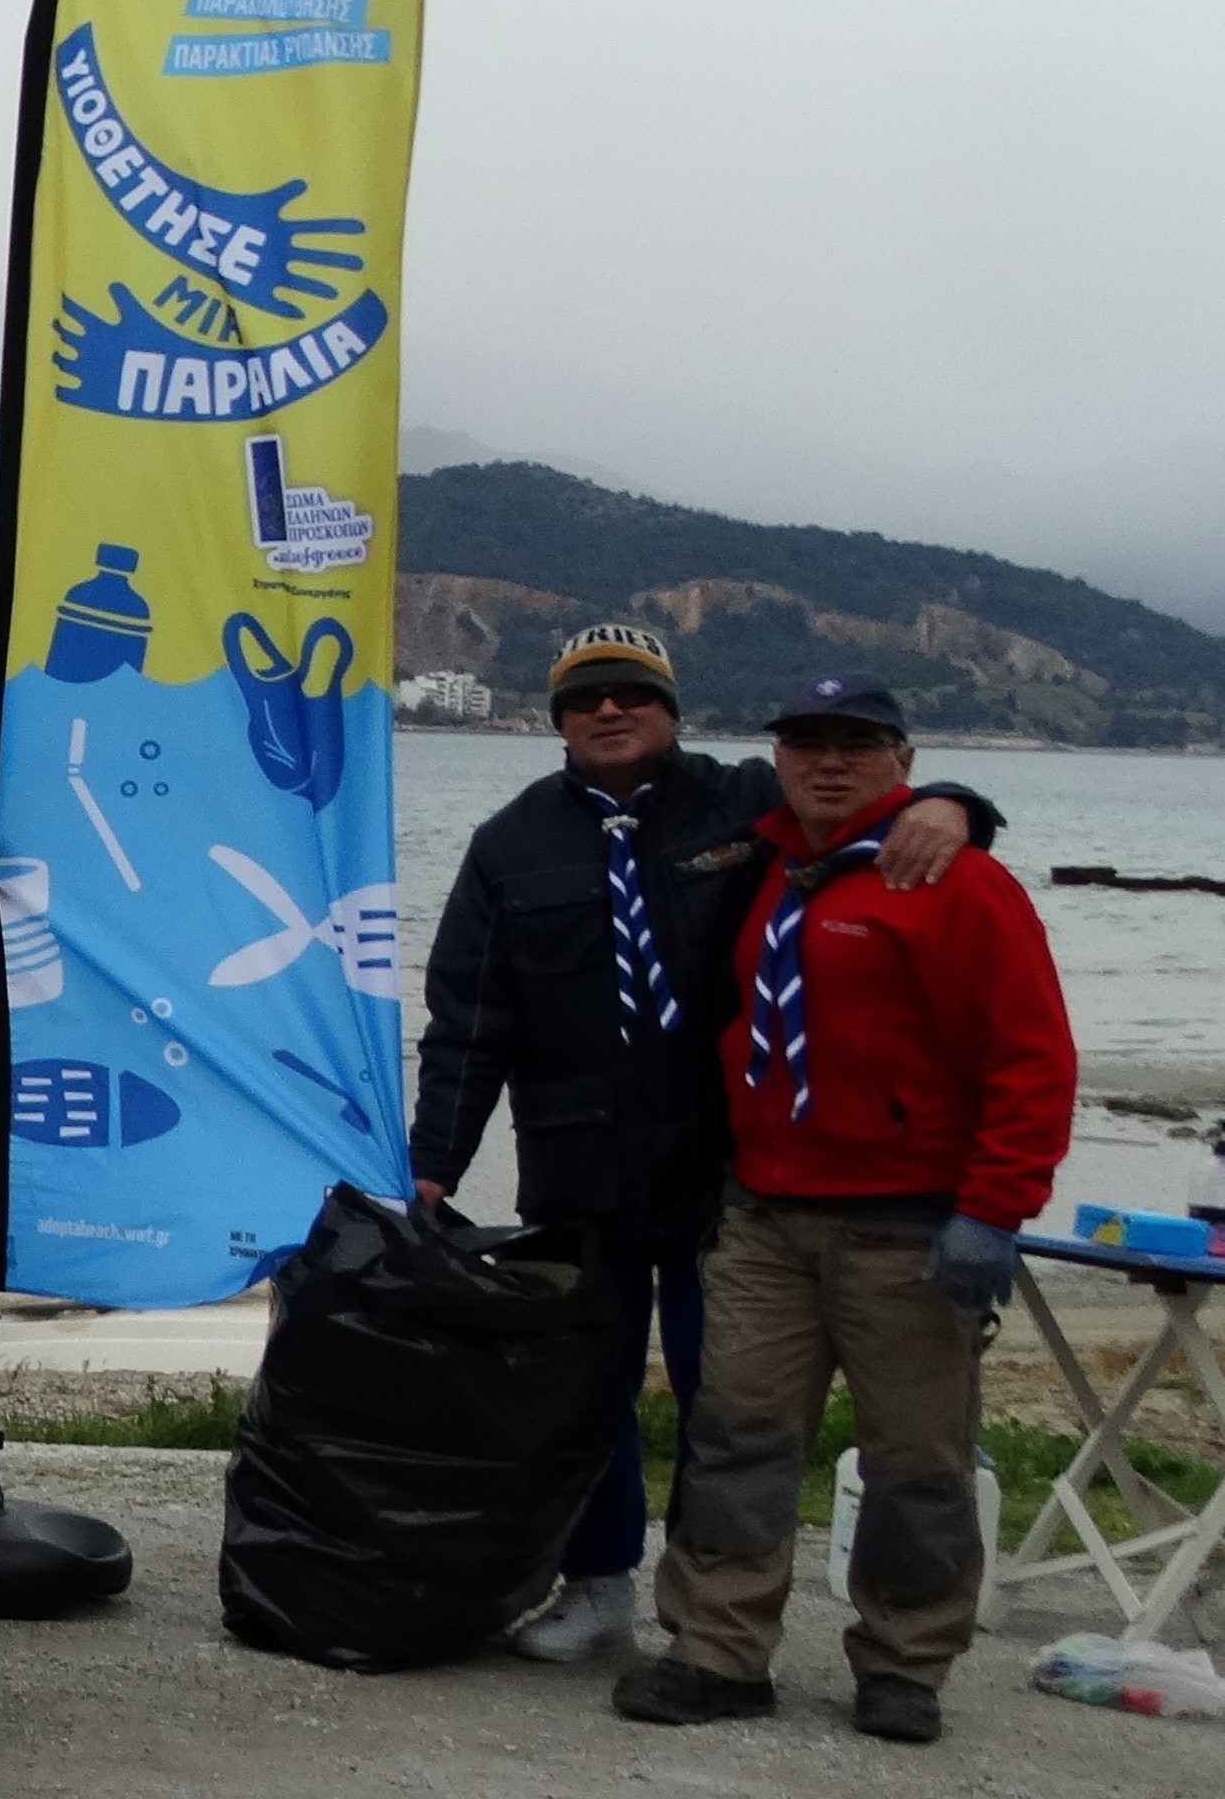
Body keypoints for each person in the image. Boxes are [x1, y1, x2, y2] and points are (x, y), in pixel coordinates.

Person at [413, 624, 987, 1664]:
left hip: (724, 1174)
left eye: (632, 693)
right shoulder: (509, 842)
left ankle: (708, 1611)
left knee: (727, 1405)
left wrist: (953, 803)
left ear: (670, 711)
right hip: (575, 1171)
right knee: (584, 1392)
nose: (609, 710)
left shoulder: (744, 806)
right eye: (584, 698)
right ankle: (596, 1585)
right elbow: (469, 1019)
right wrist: (433, 1161)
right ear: (556, 721)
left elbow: (853, 804)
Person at [615, 675, 1073, 1747]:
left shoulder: (958, 882)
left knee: (915, 1461)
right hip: (764, 1217)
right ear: (776, 756)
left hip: (905, 1227)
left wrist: (995, 1208)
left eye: (856, 744)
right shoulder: (761, 862)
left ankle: (905, 1662)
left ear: (901, 761)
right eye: (806, 742)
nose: (828, 762)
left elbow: (1031, 1057)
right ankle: (718, 1648)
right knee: (734, 1437)